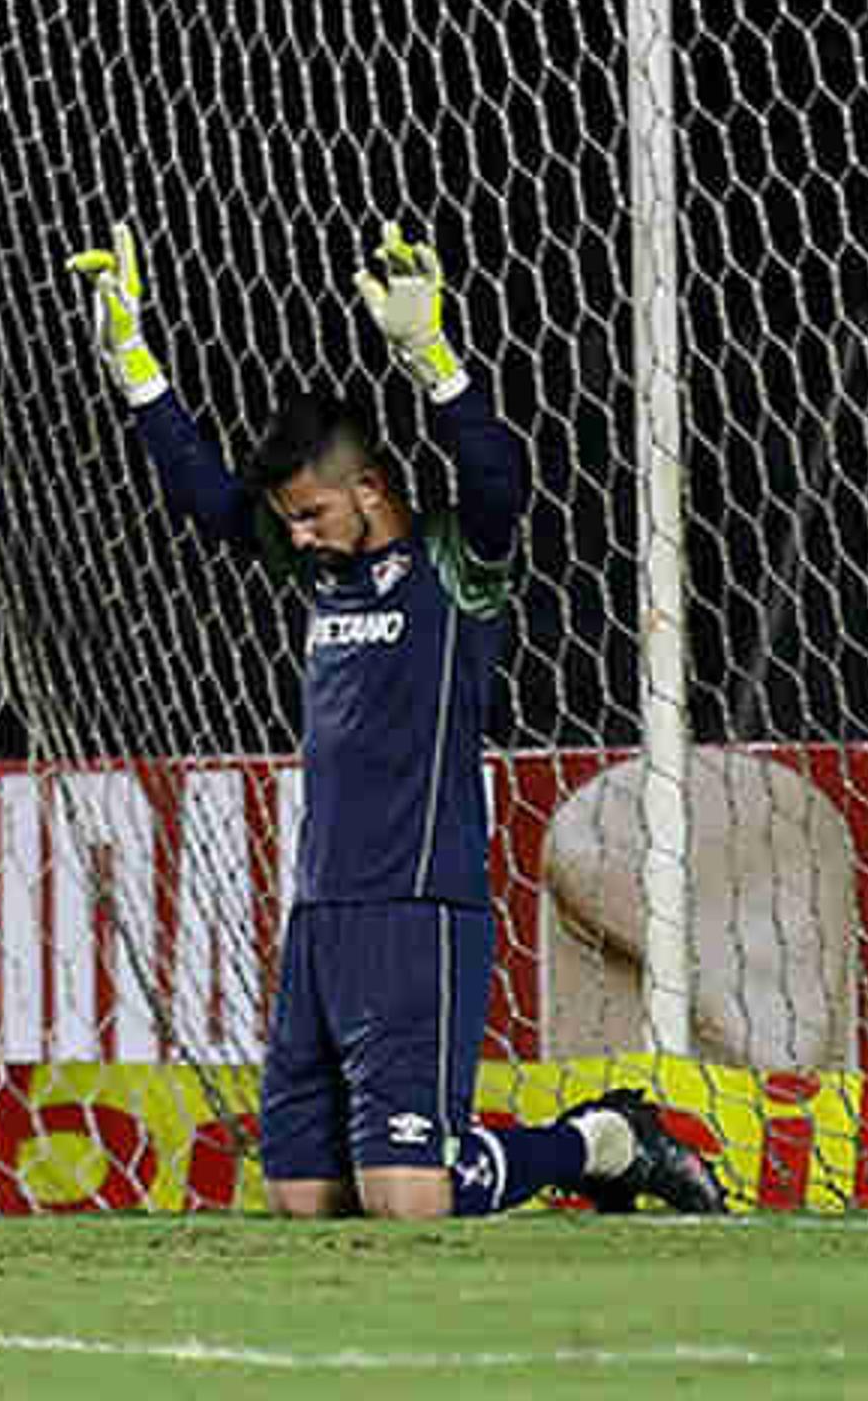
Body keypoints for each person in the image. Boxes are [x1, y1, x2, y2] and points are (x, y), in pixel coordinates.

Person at [65, 216, 724, 1221]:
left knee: (407, 1201)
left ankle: (604, 1139)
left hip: (421, 911)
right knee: (305, 1199)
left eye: (311, 513)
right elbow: (207, 501)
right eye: (287, 520)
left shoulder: (456, 570)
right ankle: (574, 1144)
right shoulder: (320, 569)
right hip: (322, 913)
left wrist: (434, 360)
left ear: (369, 488)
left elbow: (500, 478)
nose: (294, 535)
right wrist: (135, 365)